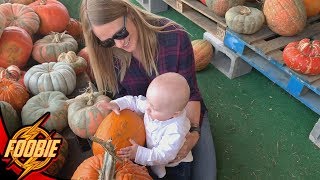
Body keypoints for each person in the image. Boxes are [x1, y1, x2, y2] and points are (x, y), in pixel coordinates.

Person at [80, 0, 217, 179]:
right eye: (108, 42)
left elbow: (191, 94)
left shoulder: (175, 37)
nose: (119, 44)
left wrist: (193, 134)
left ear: (129, 12)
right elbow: (125, 101)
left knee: (205, 176)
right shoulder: (107, 54)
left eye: (120, 33)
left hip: (181, 115)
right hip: (142, 116)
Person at [107, 72, 192, 179]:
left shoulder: (176, 130)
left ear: (175, 114)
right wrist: (117, 104)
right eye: (148, 102)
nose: (147, 109)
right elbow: (135, 101)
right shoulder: (153, 105)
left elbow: (163, 155)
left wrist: (139, 154)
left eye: (154, 108)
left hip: (174, 166)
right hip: (152, 158)